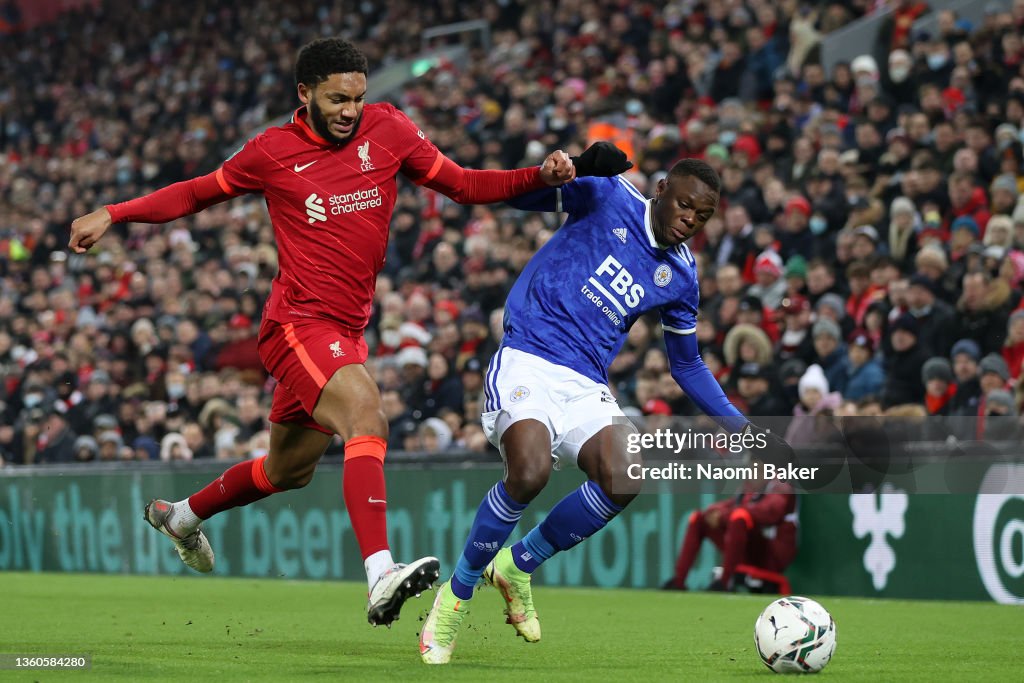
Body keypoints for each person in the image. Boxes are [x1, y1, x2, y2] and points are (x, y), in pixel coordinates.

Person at [68, 37, 577, 627]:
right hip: (297, 325)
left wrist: (538, 177)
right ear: (304, 94)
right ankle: (379, 572)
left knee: (288, 471)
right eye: (337, 99)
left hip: (346, 331)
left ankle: (183, 515)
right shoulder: (271, 152)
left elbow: (463, 184)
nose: (349, 111)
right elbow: (196, 192)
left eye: (358, 98)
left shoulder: (389, 130)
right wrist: (115, 212)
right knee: (367, 417)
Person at [419, 152, 793, 663]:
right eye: (684, 205)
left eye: (702, 216)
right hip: (529, 355)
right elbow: (521, 197)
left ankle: (517, 564)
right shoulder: (607, 195)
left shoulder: (682, 276)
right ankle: (455, 597)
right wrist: (569, 167)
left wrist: (744, 429)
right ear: (660, 189)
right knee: (527, 472)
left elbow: (686, 367)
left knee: (626, 474)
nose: (690, 219)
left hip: (585, 382)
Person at [663, 471, 797, 592]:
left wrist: (723, 515)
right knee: (698, 518)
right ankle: (679, 581)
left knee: (739, 516)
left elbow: (769, 512)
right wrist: (713, 513)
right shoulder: (751, 488)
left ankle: (725, 582)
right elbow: (731, 504)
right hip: (750, 551)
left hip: (772, 555)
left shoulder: (780, 486)